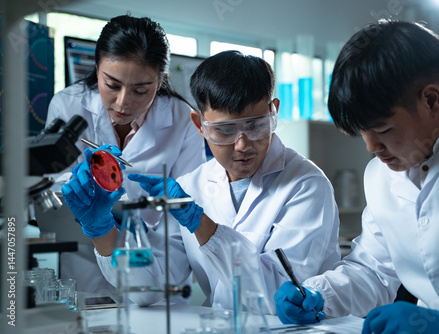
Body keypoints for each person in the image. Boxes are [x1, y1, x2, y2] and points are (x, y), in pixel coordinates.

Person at [62, 50, 341, 311]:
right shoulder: (192, 186)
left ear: (273, 112)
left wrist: (201, 224)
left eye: (256, 125)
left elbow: (279, 298)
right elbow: (147, 287)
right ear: (199, 125)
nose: (242, 144)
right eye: (225, 130)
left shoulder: (306, 185)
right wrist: (101, 229)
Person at [274, 20, 439, 333]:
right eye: (362, 134)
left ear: (430, 100)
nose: (371, 148)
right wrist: (318, 295)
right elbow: (374, 269)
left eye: (382, 130)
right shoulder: (381, 176)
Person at [46, 15, 205, 298]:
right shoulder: (69, 104)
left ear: (160, 81)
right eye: (112, 84)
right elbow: (52, 195)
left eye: (141, 90)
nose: (123, 102)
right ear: (96, 69)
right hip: (86, 262)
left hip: (157, 260)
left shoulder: (182, 119)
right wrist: (83, 187)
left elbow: (187, 205)